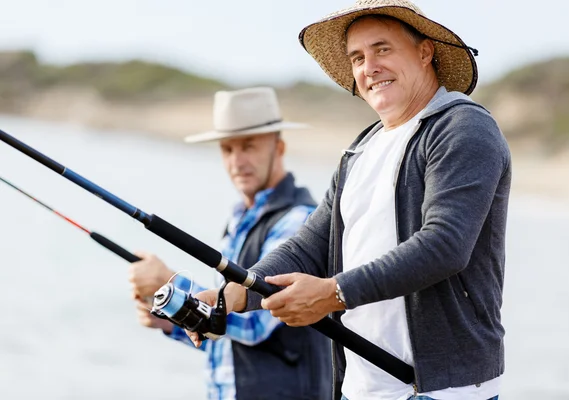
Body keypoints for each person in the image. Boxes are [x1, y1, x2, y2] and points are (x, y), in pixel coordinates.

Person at [187, 1, 511, 400]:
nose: (368, 67)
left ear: (425, 51)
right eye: (357, 57)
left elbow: (444, 246)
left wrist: (332, 293)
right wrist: (234, 292)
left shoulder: (463, 127)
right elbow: (310, 247)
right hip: (363, 389)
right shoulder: (362, 148)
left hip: (445, 390)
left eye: (383, 49)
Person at [129, 86, 332, 400]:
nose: (237, 161)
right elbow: (221, 334)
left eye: (249, 146)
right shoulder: (238, 219)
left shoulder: (300, 220)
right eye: (227, 149)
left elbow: (255, 322)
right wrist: (171, 320)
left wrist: (168, 284)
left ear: (279, 148)